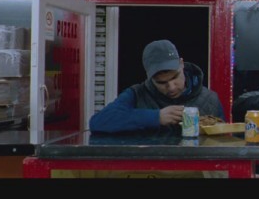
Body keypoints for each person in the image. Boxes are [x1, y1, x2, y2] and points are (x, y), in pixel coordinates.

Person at [89, 39, 224, 133]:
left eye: (174, 77)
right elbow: (98, 122)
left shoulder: (210, 99)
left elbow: (223, 142)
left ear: (182, 64)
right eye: (161, 83)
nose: (171, 87)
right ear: (149, 76)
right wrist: (155, 117)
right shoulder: (137, 94)